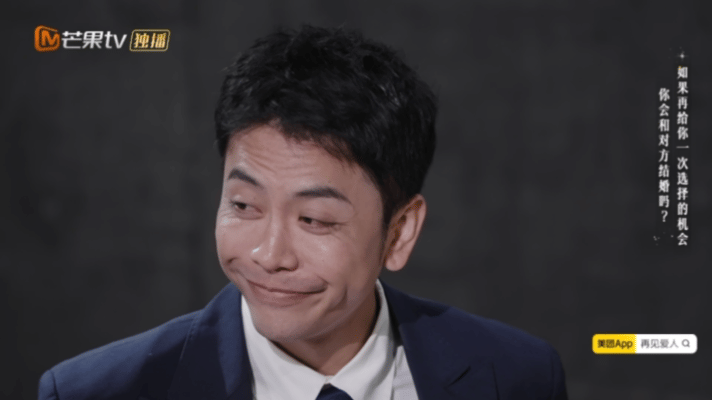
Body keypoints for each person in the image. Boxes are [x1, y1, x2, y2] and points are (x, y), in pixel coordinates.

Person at [38, 24, 568, 400]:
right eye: (243, 205)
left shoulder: (517, 375)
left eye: (314, 219)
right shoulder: (98, 390)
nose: (269, 255)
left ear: (400, 231)